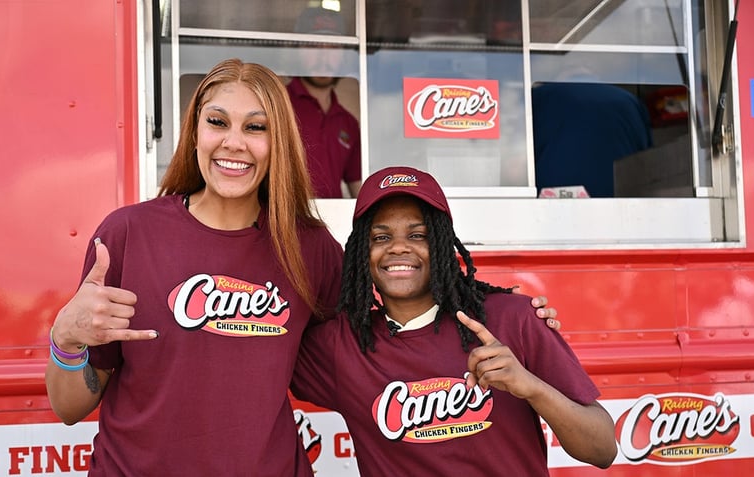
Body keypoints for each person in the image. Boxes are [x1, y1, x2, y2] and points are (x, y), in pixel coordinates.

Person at [44, 59, 559, 475]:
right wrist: (66, 341)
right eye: (217, 122)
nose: (234, 142)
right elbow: (70, 408)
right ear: (194, 130)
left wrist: (507, 316)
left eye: (256, 127)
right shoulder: (128, 235)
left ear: (278, 143)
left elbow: (392, 343)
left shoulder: (310, 248)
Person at [291, 166, 617, 476]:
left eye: (418, 235)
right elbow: (254, 352)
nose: (399, 247)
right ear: (362, 254)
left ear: (443, 245)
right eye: (381, 237)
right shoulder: (341, 347)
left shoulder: (511, 320)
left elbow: (602, 449)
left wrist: (530, 386)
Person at [532, 81, 653, 197]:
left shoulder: (538, 97)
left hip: (551, 205)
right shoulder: (631, 101)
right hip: (623, 204)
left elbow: (518, 160)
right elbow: (646, 158)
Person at [288, 6, 361, 198]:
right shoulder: (276, 105)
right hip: (282, 222)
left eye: (333, 47)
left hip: (333, 223)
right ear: (298, 51)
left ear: (344, 54)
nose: (324, 56)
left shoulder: (348, 123)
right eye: (314, 45)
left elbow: (358, 188)